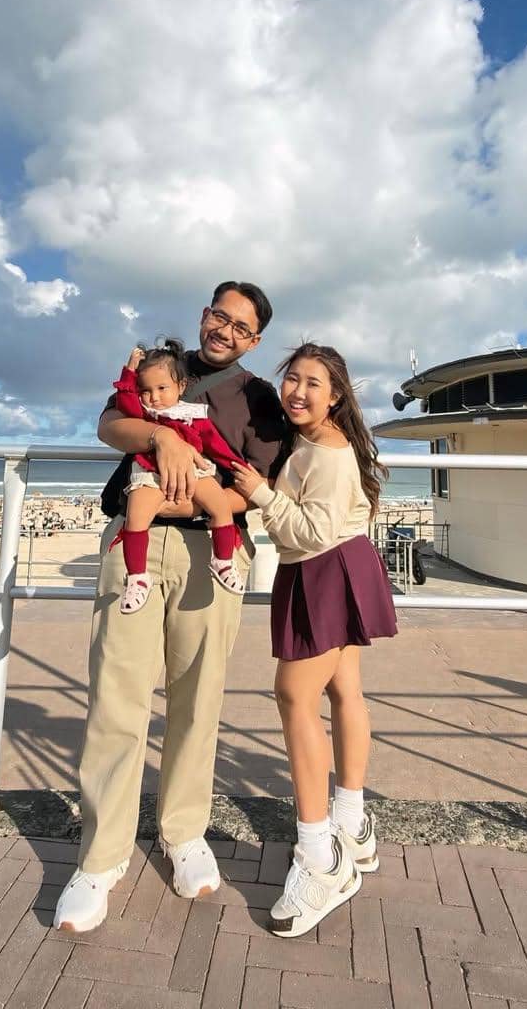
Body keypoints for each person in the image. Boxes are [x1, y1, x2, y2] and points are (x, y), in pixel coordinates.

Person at [54, 281, 288, 933]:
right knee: (115, 696)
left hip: (210, 548)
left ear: (255, 340)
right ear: (204, 314)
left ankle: (183, 833)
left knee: (198, 698)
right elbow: (110, 423)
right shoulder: (162, 365)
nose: (226, 331)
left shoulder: (261, 400)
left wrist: (187, 496)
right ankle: (100, 859)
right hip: (134, 541)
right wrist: (163, 442)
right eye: (221, 315)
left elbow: (254, 490)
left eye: (242, 327)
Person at [230, 343, 398, 938]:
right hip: (338, 565)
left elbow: (310, 529)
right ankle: (352, 825)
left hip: (324, 567)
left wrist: (258, 492)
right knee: (344, 692)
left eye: (313, 384)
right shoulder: (314, 440)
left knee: (294, 699)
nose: (298, 392)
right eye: (292, 379)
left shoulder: (328, 452)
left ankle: (319, 856)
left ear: (336, 396)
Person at [111, 338, 246, 613]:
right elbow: (124, 402)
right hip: (150, 472)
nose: (154, 397)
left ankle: (223, 560)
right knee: (136, 518)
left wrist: (233, 464)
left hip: (194, 471)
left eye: (162, 388)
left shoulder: (191, 413)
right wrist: (129, 372)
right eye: (146, 390)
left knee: (220, 505)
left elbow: (214, 443)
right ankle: (137, 577)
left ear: (181, 387)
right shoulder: (143, 412)